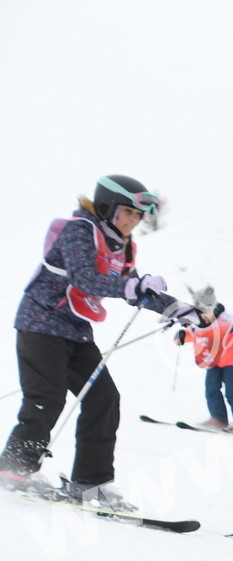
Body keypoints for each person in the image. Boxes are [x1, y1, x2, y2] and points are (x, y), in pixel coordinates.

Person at [1, 175, 202, 510]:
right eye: (129, 212)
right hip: (40, 323)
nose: (134, 221)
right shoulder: (79, 231)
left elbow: (133, 289)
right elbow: (85, 278)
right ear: (108, 207)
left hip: (76, 331)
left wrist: (181, 309)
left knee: (104, 398)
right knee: (47, 398)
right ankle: (14, 469)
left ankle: (89, 483)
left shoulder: (122, 247)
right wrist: (132, 286)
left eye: (138, 215)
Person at [172, 289, 233, 433]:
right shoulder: (199, 321)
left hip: (232, 361)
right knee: (211, 389)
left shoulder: (228, 320)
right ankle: (218, 419)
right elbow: (195, 334)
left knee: (232, 391)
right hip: (213, 360)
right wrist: (182, 336)